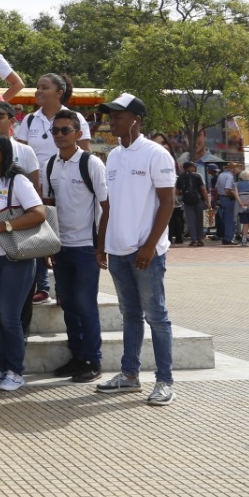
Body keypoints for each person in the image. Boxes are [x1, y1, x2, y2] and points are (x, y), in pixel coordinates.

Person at [94, 93, 177, 406]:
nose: (112, 121)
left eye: (118, 115)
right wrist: (102, 244)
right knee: (130, 314)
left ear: (136, 120)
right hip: (117, 250)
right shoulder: (113, 156)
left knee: (157, 316)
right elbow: (110, 205)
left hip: (146, 252)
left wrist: (150, 245)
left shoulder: (156, 154)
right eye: (111, 115)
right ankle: (129, 375)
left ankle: (165, 381)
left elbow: (168, 202)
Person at [0, 132, 47, 393]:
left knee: (9, 318)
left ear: (5, 152)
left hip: (14, 258)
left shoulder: (18, 181)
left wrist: (5, 225)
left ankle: (15, 371)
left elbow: (38, 214)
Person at [44, 111, 108, 383]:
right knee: (68, 304)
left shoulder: (91, 163)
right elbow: (49, 207)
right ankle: (77, 357)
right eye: (55, 131)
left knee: (85, 305)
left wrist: (100, 247)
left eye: (65, 130)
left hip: (85, 247)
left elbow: (107, 207)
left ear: (78, 134)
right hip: (61, 247)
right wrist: (49, 244)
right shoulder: (51, 164)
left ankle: (93, 360)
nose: (59, 135)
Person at [175, 161, 210, 247]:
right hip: (199, 200)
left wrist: (185, 194)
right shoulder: (197, 175)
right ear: (190, 167)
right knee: (200, 220)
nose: (194, 167)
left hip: (187, 201)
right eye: (193, 166)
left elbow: (177, 192)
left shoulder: (180, 177)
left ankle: (193, 240)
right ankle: (200, 239)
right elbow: (203, 189)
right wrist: (207, 201)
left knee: (190, 221)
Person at [215, 162, 239, 245]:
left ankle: (226, 237)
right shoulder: (230, 176)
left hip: (222, 198)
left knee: (226, 219)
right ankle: (228, 238)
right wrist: (236, 196)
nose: (238, 170)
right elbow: (227, 190)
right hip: (229, 199)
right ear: (233, 169)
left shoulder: (221, 175)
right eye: (237, 168)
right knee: (231, 220)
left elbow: (216, 188)